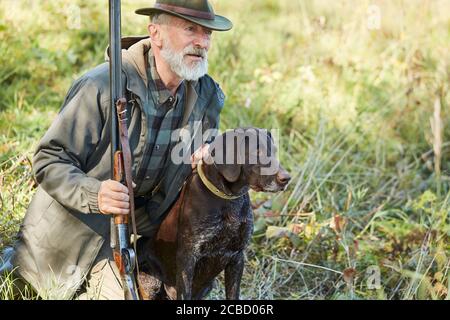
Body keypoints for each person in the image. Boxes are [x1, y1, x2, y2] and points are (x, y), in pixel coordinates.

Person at [0, 0, 232, 300]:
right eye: (190, 29)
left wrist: (208, 165)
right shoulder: (102, 85)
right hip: (73, 234)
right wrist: (95, 194)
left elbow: (197, 170)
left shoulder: (207, 97)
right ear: (156, 34)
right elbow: (48, 159)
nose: (202, 42)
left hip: (138, 241)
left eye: (207, 33)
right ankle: (16, 263)